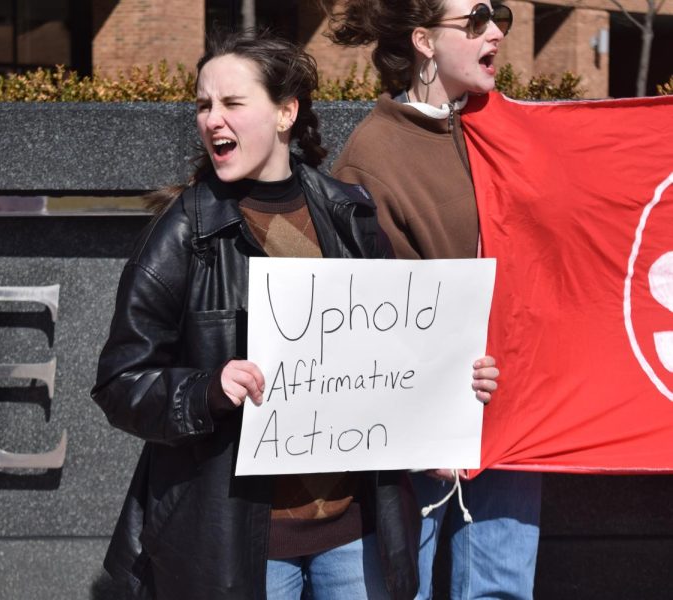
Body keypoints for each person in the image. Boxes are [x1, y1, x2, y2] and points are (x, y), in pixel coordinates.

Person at [92, 30, 498, 600]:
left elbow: (393, 357)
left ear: (286, 112)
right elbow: (119, 381)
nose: (212, 120)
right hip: (239, 546)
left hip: (358, 537)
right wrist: (207, 389)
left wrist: (451, 388)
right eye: (204, 105)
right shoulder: (182, 234)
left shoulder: (349, 214)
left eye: (233, 103)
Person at [326, 2, 541, 599]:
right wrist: (423, 424)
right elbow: (359, 309)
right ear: (423, 40)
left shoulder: (511, 131)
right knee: (402, 589)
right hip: (419, 428)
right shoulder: (373, 154)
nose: (495, 31)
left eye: (500, 18)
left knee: (502, 589)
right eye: (474, 21)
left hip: (513, 409)